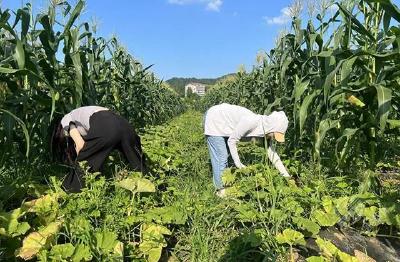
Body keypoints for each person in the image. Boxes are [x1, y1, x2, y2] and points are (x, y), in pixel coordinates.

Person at [51, 106, 147, 193]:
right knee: (139, 165)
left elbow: (80, 145)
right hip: (125, 125)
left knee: (82, 167)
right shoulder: (84, 112)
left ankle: (69, 193)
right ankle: (156, 189)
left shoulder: (66, 119)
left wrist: (82, 159)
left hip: (105, 124)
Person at [204, 103, 290, 197]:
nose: (274, 138)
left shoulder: (265, 130)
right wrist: (239, 164)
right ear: (272, 127)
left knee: (229, 158)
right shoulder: (251, 122)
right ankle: (220, 192)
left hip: (226, 124)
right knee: (222, 157)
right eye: (275, 134)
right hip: (215, 119)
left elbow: (272, 153)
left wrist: (286, 176)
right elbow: (232, 141)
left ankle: (227, 185)